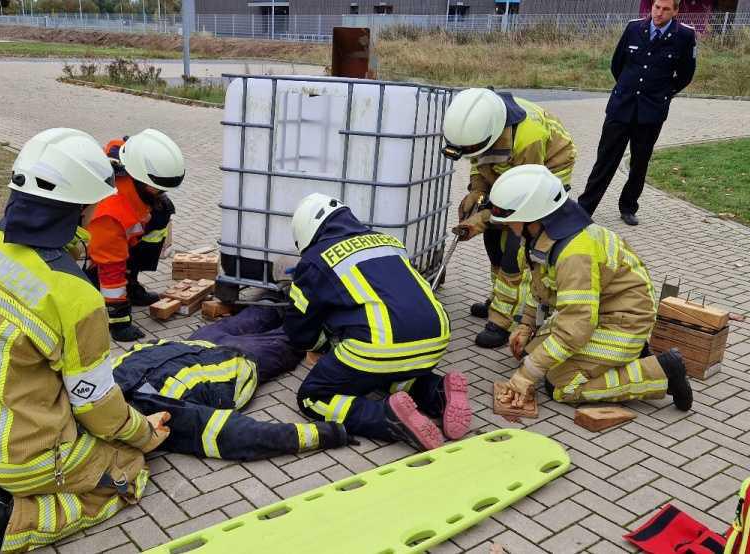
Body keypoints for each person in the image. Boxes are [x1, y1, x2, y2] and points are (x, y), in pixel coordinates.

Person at [0, 128, 169, 554]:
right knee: (125, 475)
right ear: (79, 207)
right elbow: (95, 404)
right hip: (22, 453)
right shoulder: (74, 294)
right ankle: (6, 524)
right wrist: (143, 434)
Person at [486, 165, 693, 412]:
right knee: (530, 354)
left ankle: (660, 371)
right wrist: (526, 325)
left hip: (623, 322)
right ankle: (621, 358)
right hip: (597, 313)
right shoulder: (541, 238)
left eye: (511, 221)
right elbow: (540, 287)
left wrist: (526, 375)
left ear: (533, 216)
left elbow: (575, 328)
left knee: (561, 386)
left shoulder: (575, 253)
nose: (509, 227)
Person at [283, 193, 471, 452]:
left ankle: (387, 417)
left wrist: (319, 344)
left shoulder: (316, 259)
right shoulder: (388, 241)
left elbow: (300, 330)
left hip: (380, 344)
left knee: (313, 398)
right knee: (390, 375)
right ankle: (438, 392)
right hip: (437, 335)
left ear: (306, 232)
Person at [113, 305, 352, 461]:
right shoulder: (161, 418)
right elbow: (238, 435)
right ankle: (339, 316)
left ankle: (291, 299)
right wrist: (326, 433)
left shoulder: (104, 385)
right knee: (296, 335)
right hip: (237, 361)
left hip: (197, 343)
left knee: (264, 310)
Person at [441, 88, 576, 349]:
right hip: (512, 171)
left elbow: (518, 205)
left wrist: (478, 221)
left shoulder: (529, 139)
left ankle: (505, 321)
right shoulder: (482, 126)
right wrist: (478, 190)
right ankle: (498, 299)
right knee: (494, 243)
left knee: (515, 250)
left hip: (544, 174)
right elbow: (479, 160)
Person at [577, 0, 697, 225]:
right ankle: (584, 209)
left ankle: (628, 206)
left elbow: (685, 74)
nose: (659, 13)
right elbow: (617, 64)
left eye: (665, 9)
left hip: (651, 112)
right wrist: (627, 88)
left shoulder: (684, 36)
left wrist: (662, 94)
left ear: (676, 11)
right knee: (605, 159)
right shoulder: (634, 28)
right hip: (621, 106)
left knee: (640, 162)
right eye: (656, 7)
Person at [85, 129, 184, 342]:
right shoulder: (111, 213)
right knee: (101, 284)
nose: (160, 192)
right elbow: (111, 268)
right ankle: (112, 310)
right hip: (87, 259)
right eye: (156, 188)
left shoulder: (131, 155)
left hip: (114, 239)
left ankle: (131, 285)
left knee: (161, 212)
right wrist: (120, 322)